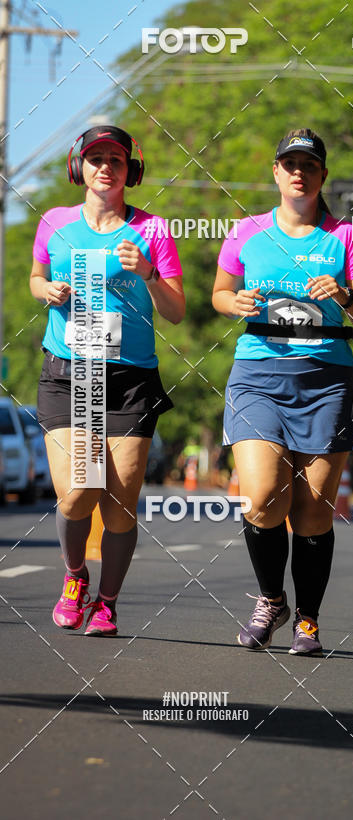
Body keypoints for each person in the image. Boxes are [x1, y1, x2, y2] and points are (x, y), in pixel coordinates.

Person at [212, 128, 353, 655]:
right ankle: (270, 599)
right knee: (261, 496)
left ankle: (307, 619)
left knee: (312, 509)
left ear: (322, 175)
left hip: (326, 380)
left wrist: (348, 295)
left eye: (309, 165)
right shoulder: (247, 231)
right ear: (276, 171)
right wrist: (233, 303)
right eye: (289, 163)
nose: (298, 172)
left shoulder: (345, 237)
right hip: (259, 374)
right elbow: (219, 294)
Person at [30, 125, 185, 635]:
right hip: (68, 373)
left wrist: (148, 273)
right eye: (95, 158)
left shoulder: (155, 230)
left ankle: (108, 602)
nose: (105, 167)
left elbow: (177, 311)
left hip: (129, 380)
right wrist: (45, 290)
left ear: (129, 171)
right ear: (79, 167)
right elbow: (35, 277)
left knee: (119, 501)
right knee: (78, 490)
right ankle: (75, 576)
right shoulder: (54, 222)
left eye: (116, 160)